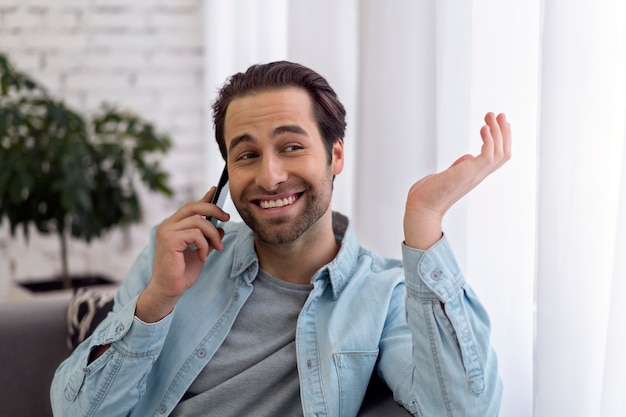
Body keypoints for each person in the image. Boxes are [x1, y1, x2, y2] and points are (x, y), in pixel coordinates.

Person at [50, 61, 509, 417]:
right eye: (247, 154)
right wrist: (157, 303)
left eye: (291, 146)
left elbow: (460, 409)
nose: (270, 177)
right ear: (227, 175)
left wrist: (425, 221)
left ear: (335, 156)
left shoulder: (383, 294)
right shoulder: (172, 256)